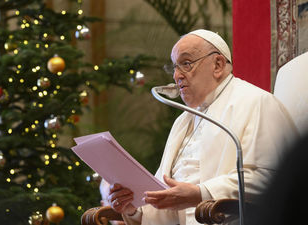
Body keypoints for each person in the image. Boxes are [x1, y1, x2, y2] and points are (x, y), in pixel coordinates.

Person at [106, 29, 298, 225]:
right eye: (174, 67)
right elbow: (164, 198)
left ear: (218, 65)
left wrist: (201, 194)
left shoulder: (257, 103)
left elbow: (274, 179)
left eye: (186, 64)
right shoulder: (183, 121)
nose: (176, 75)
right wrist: (132, 209)